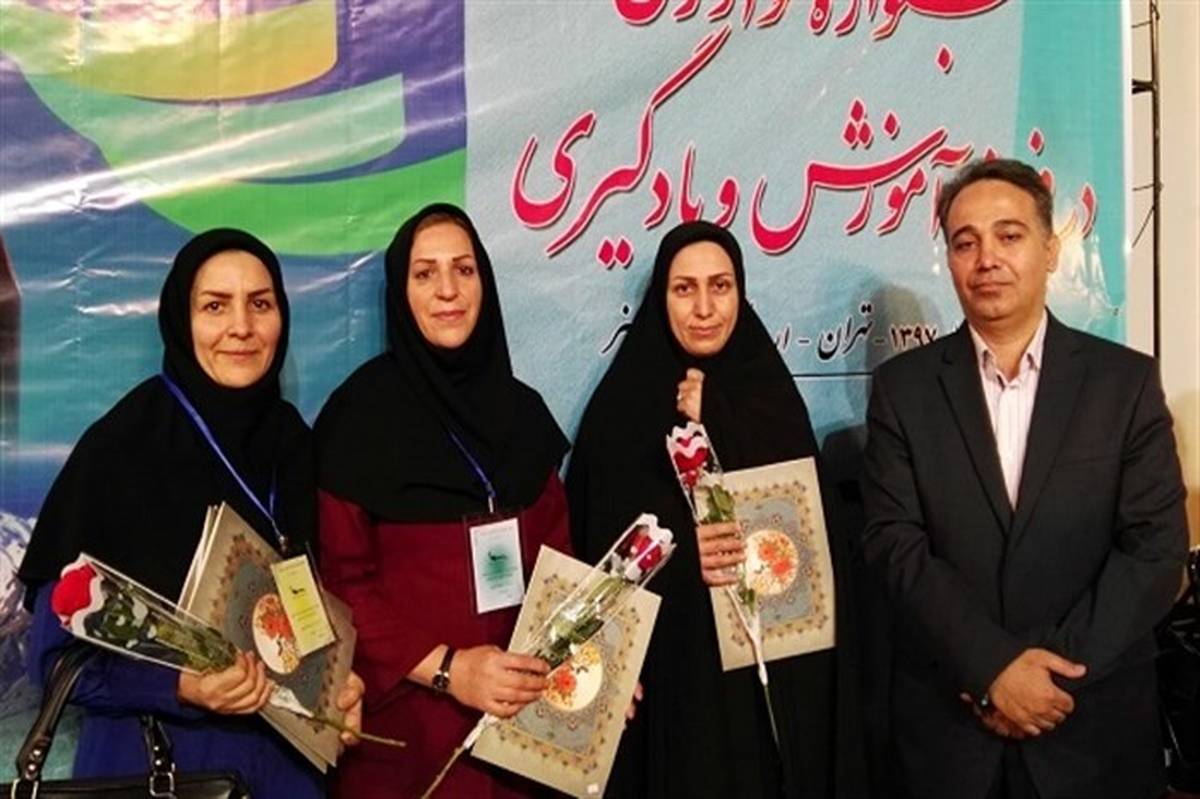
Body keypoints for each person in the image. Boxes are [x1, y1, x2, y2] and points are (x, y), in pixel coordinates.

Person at [860, 158, 1188, 799]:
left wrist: (1046, 680)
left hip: (1091, 731)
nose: (987, 259)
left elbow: (1155, 550)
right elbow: (893, 544)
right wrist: (992, 668)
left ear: (1051, 250)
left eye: (1009, 236)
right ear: (949, 260)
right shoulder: (904, 390)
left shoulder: (1124, 384)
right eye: (965, 243)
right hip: (952, 734)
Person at [18, 229, 363, 797]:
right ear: (181, 319)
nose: (241, 327)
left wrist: (336, 691)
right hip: (163, 768)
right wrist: (180, 686)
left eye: (260, 304)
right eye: (215, 306)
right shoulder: (121, 449)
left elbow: (303, 611)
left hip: (285, 771)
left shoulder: (293, 446)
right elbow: (52, 660)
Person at [566, 221, 867, 798]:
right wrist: (684, 554)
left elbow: (816, 536)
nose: (704, 308)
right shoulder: (621, 412)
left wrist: (724, 417)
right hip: (677, 682)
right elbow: (596, 553)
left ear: (740, 292)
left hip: (773, 685)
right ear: (662, 298)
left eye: (720, 286)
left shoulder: (770, 395)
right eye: (685, 289)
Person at [314, 203, 572, 798]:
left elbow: (562, 570)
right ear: (400, 292)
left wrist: (594, 673)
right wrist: (452, 670)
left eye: (464, 269)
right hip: (409, 738)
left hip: (522, 732)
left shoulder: (524, 414)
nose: (448, 290)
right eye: (425, 273)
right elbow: (343, 586)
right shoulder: (358, 418)